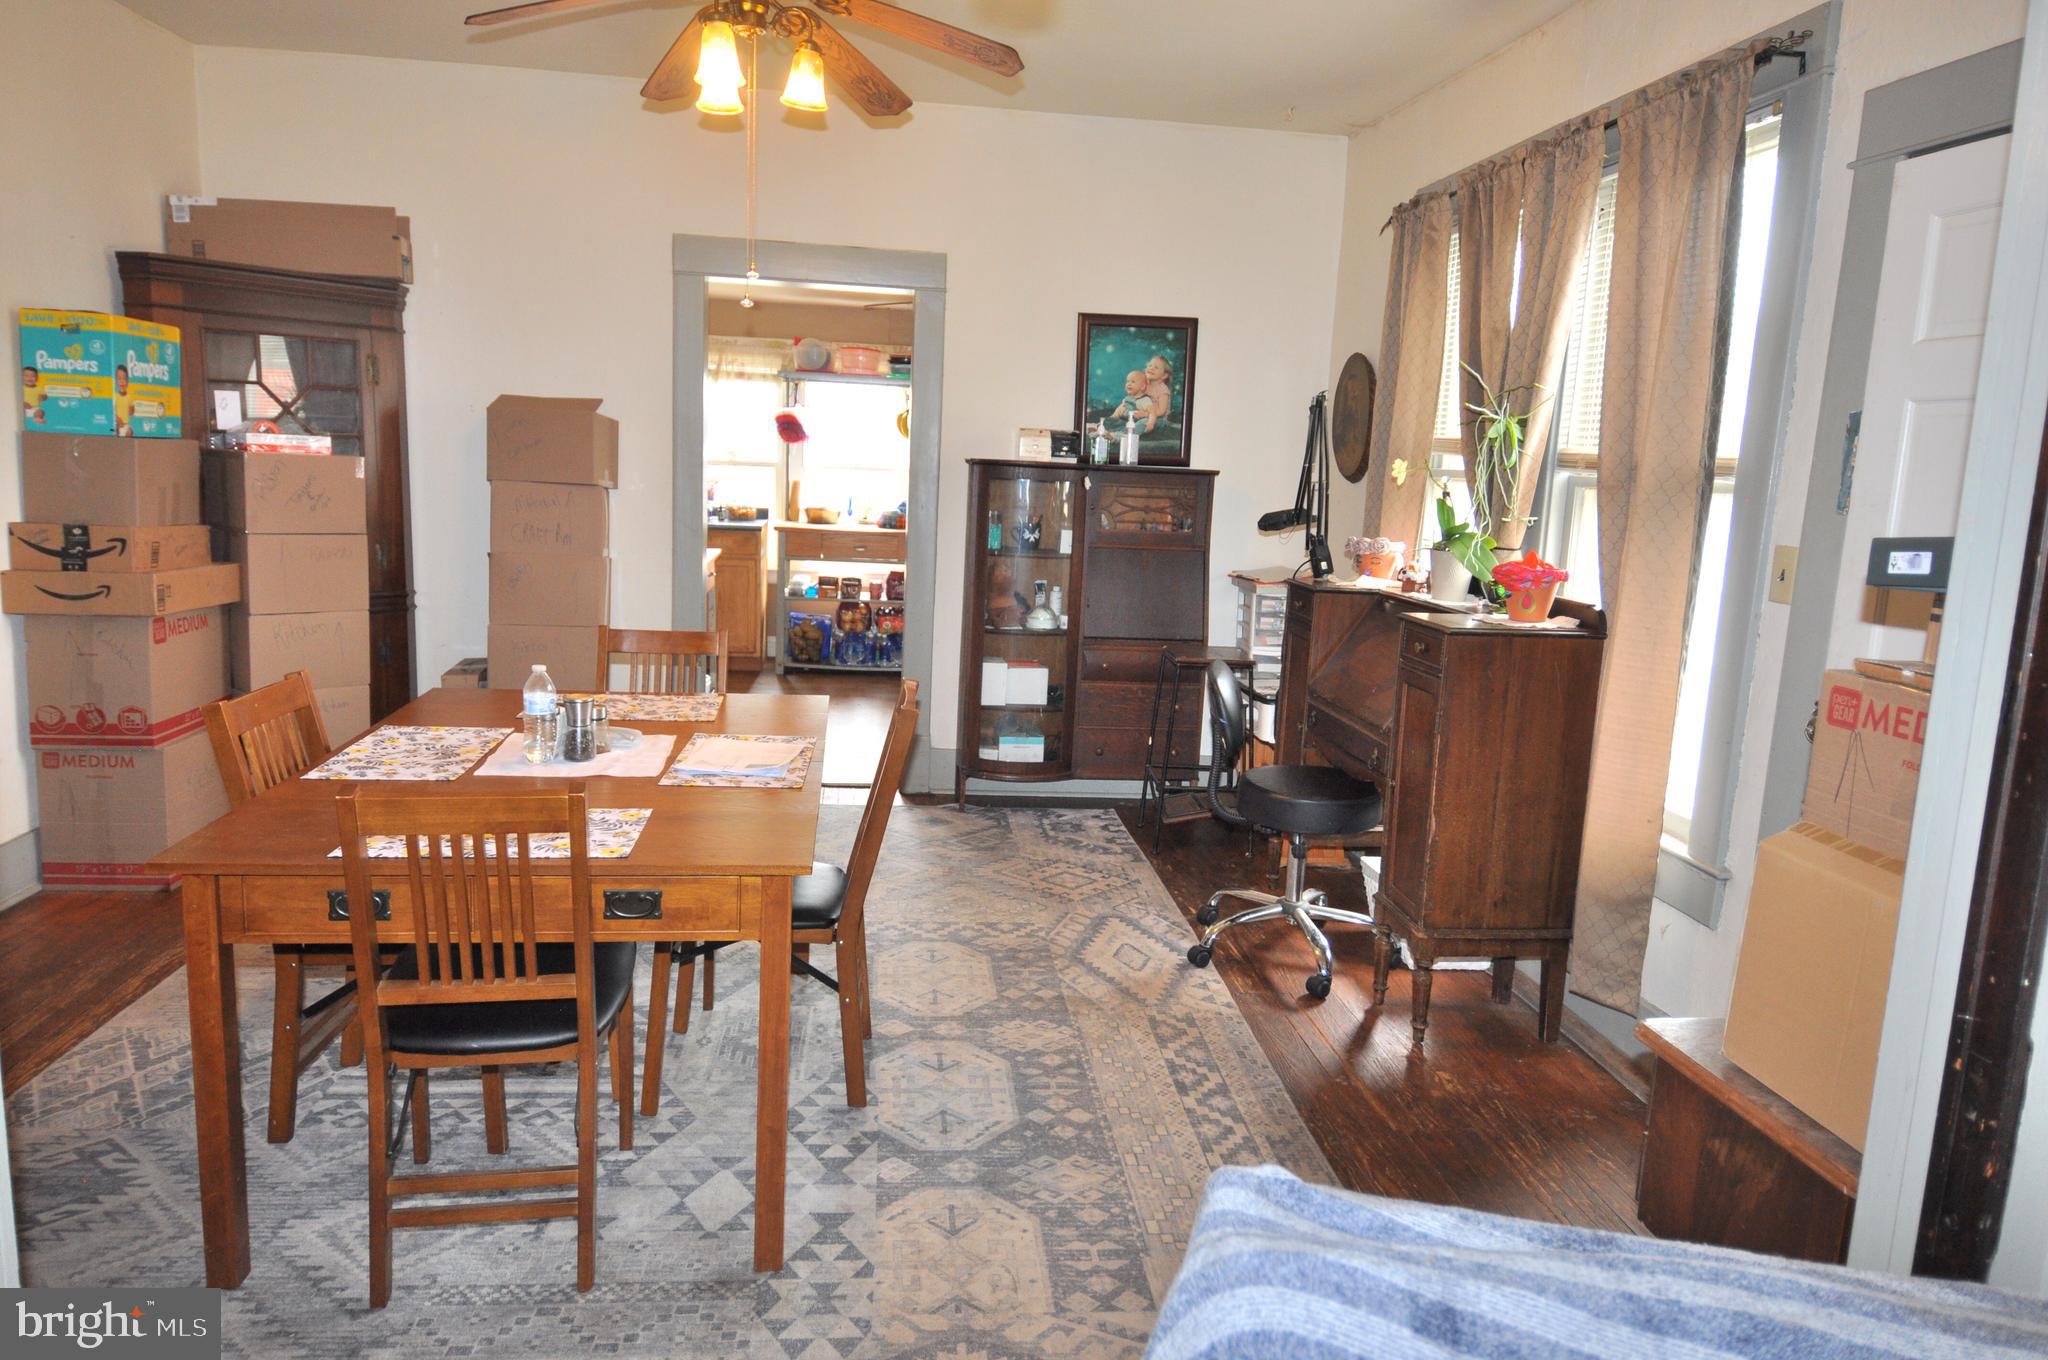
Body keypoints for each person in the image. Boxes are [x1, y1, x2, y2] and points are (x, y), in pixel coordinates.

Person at [1143, 354, 1174, 425]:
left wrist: (1145, 414)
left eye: (1156, 367)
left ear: (1164, 375)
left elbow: (1162, 411)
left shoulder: (1163, 390)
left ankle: (1123, 432)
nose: (1151, 368)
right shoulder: (1145, 384)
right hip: (1145, 415)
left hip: (1159, 418)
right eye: (1150, 365)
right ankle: (1115, 417)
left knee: (1142, 423)